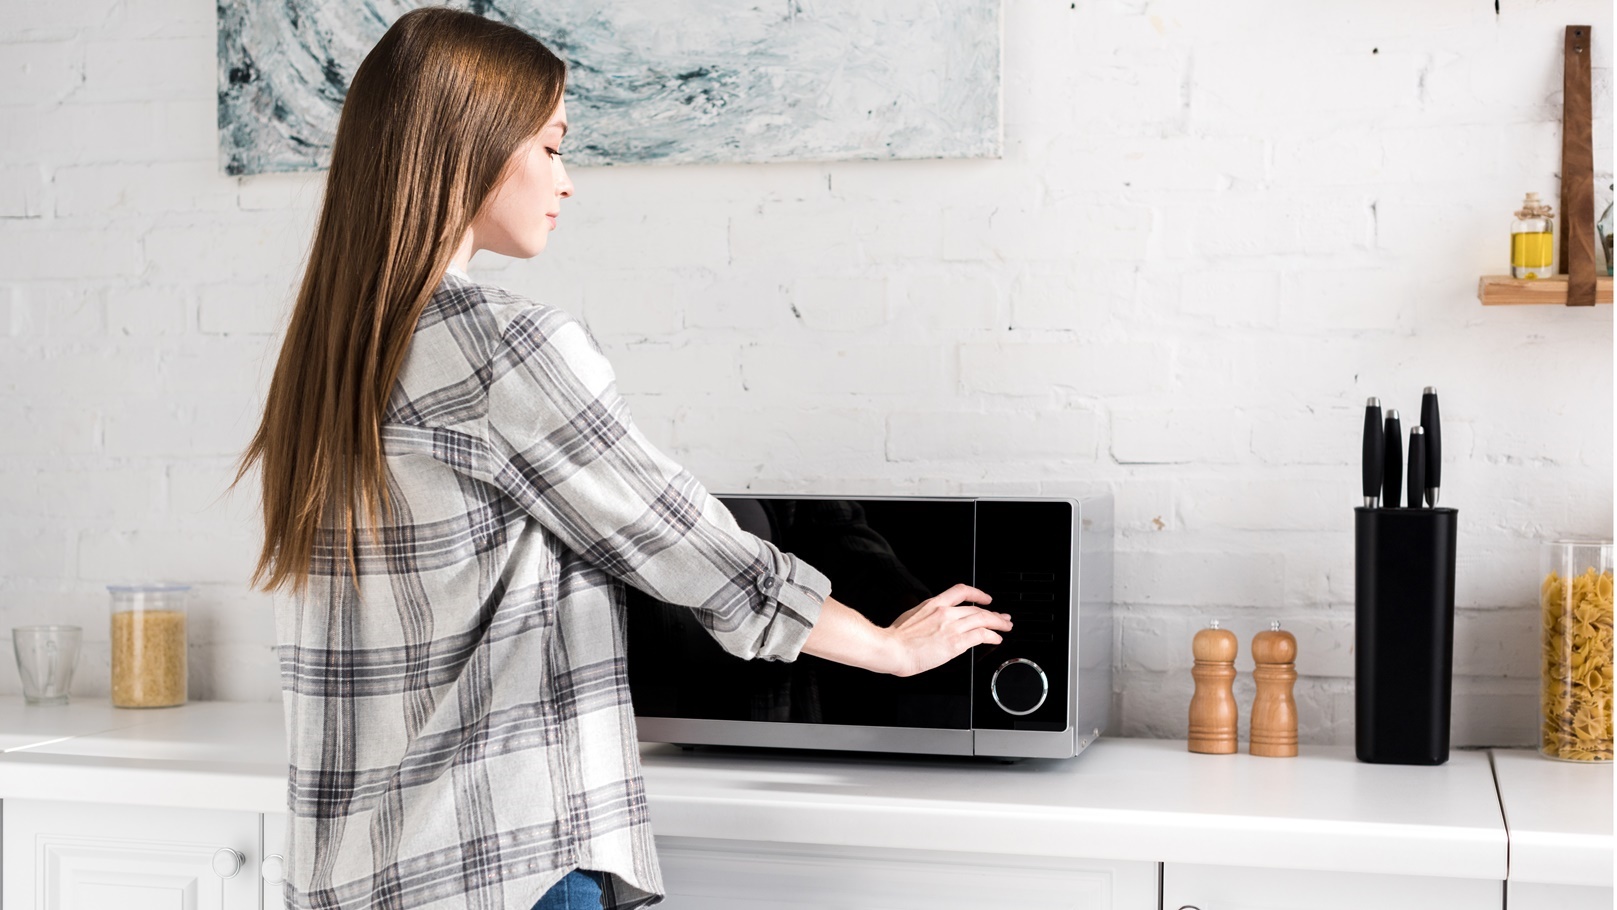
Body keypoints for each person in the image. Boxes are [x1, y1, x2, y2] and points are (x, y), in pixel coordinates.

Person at [234, 8, 1011, 909]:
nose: (567, 181)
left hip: (359, 873)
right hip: (506, 858)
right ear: (472, 147)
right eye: (554, 147)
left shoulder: (325, 365)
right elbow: (691, 548)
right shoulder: (505, 348)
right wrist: (885, 647)